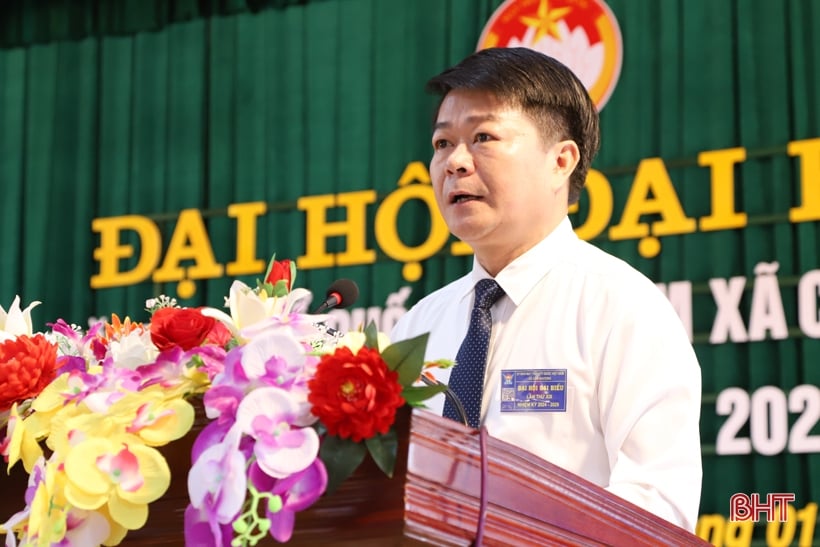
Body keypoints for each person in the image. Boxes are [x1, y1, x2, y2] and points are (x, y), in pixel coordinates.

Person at [389, 47, 702, 532]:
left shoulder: (621, 307)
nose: (454, 162)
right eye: (441, 143)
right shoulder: (419, 325)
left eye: (483, 137)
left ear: (561, 160)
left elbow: (658, 505)